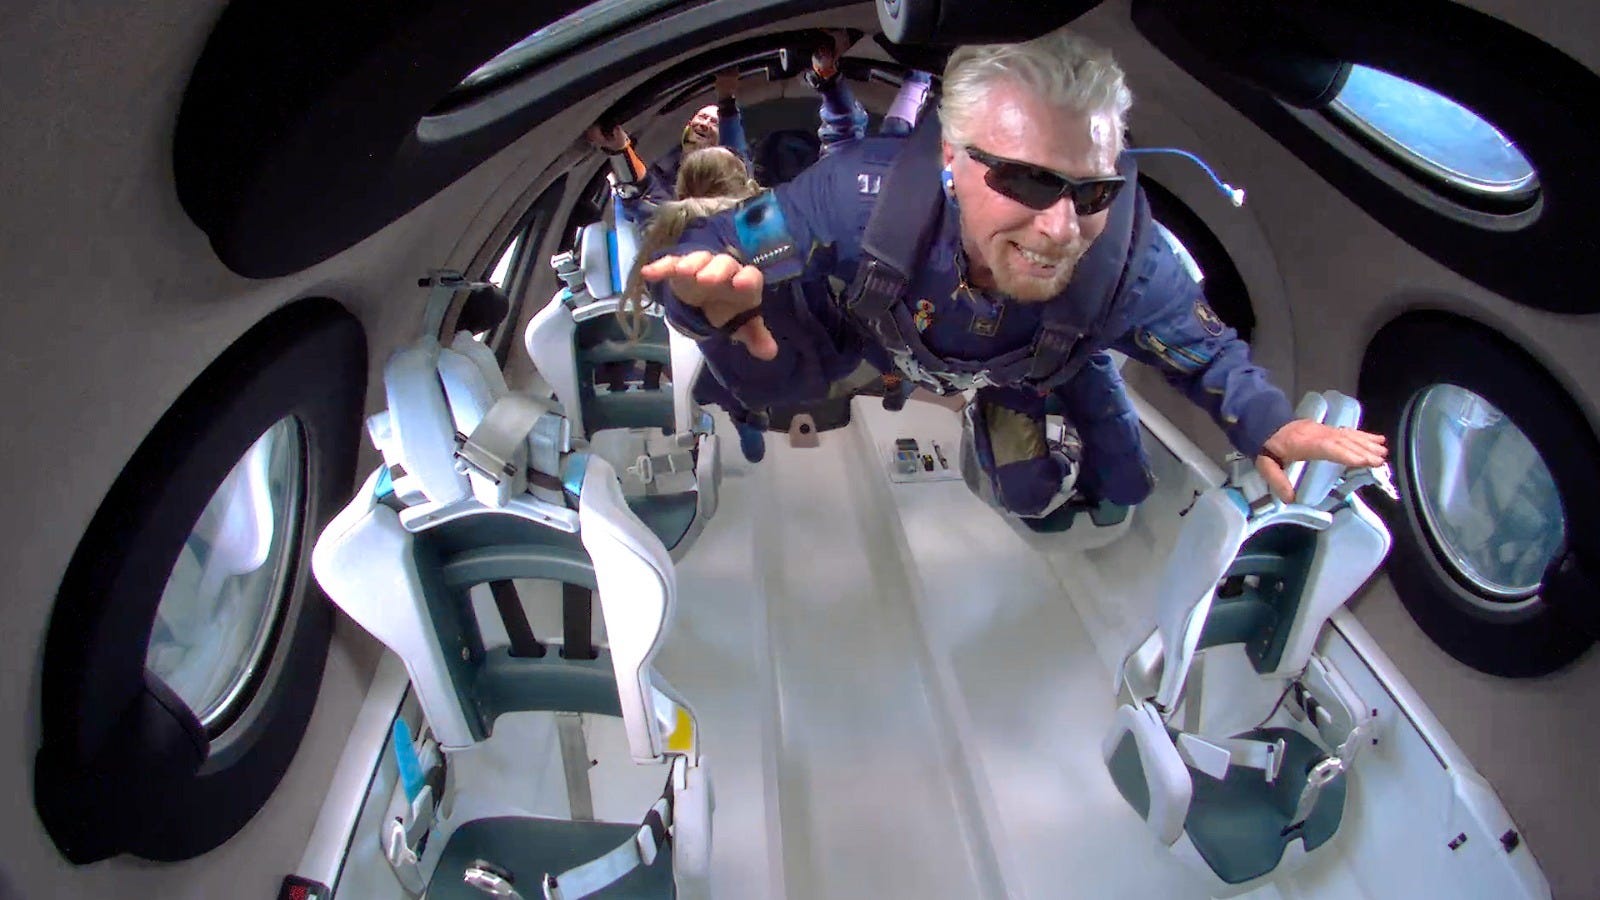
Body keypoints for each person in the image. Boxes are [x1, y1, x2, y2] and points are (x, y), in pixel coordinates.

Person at [638, 27, 1387, 522]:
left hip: (1038, 363)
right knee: (766, 374)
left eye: (1090, 191)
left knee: (1099, 491)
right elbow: (721, 242)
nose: (1060, 231)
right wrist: (697, 304)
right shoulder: (857, 200)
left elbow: (1210, 355)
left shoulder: (1126, 258)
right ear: (949, 161)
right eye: (1026, 181)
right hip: (888, 336)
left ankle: (1041, 455)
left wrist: (1270, 424)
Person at [621, 145, 884, 465]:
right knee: (872, 334)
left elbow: (641, 196)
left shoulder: (677, 226)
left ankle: (750, 423)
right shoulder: (755, 223)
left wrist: (620, 150)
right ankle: (751, 423)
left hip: (759, 371)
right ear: (744, 182)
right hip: (821, 347)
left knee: (745, 399)